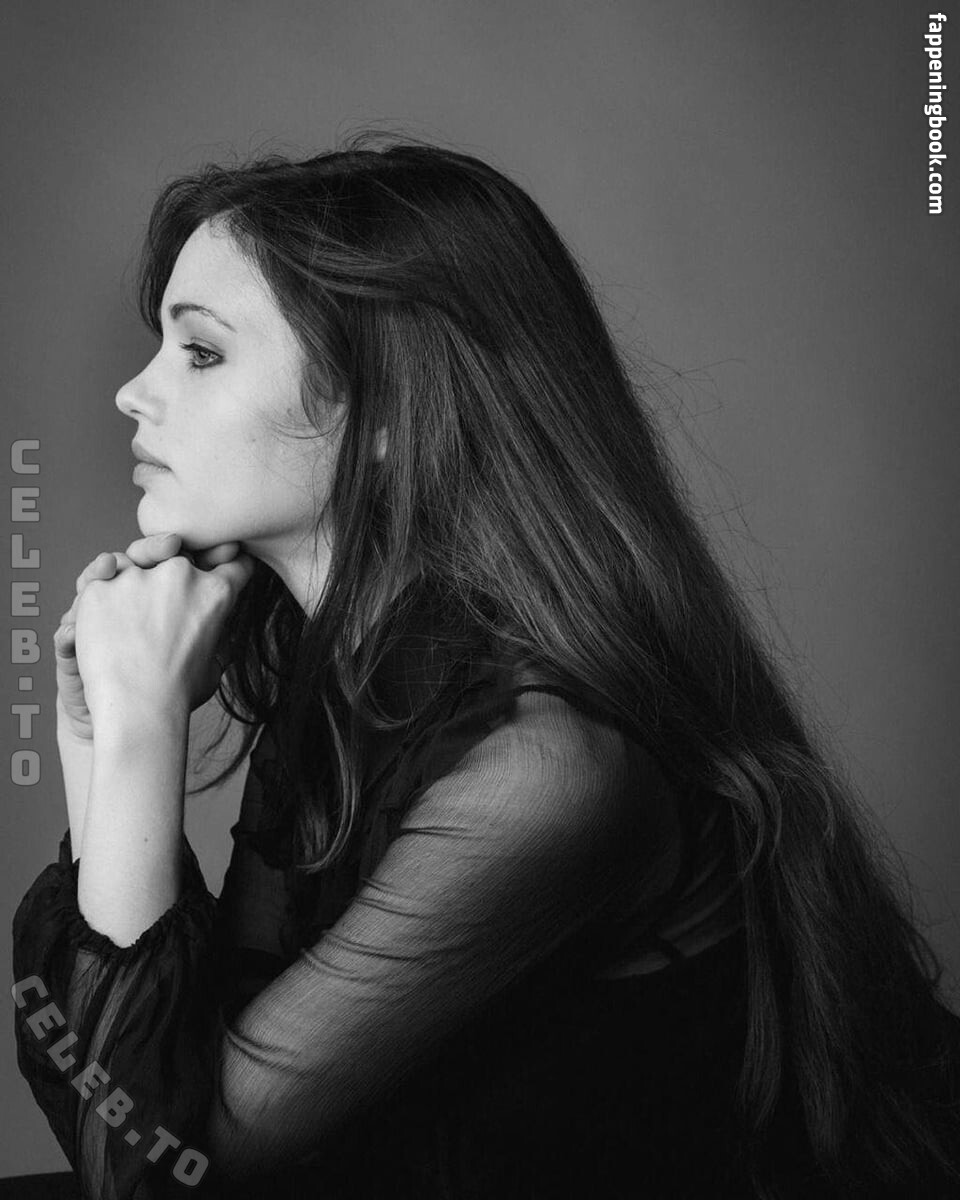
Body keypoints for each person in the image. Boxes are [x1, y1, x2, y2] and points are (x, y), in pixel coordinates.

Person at [10, 132, 960, 1200]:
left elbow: (159, 1171)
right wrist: (100, 733)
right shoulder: (354, 675)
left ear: (388, 413)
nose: (132, 393)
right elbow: (151, 1095)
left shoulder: (544, 770)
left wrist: (141, 734)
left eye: (200, 352)